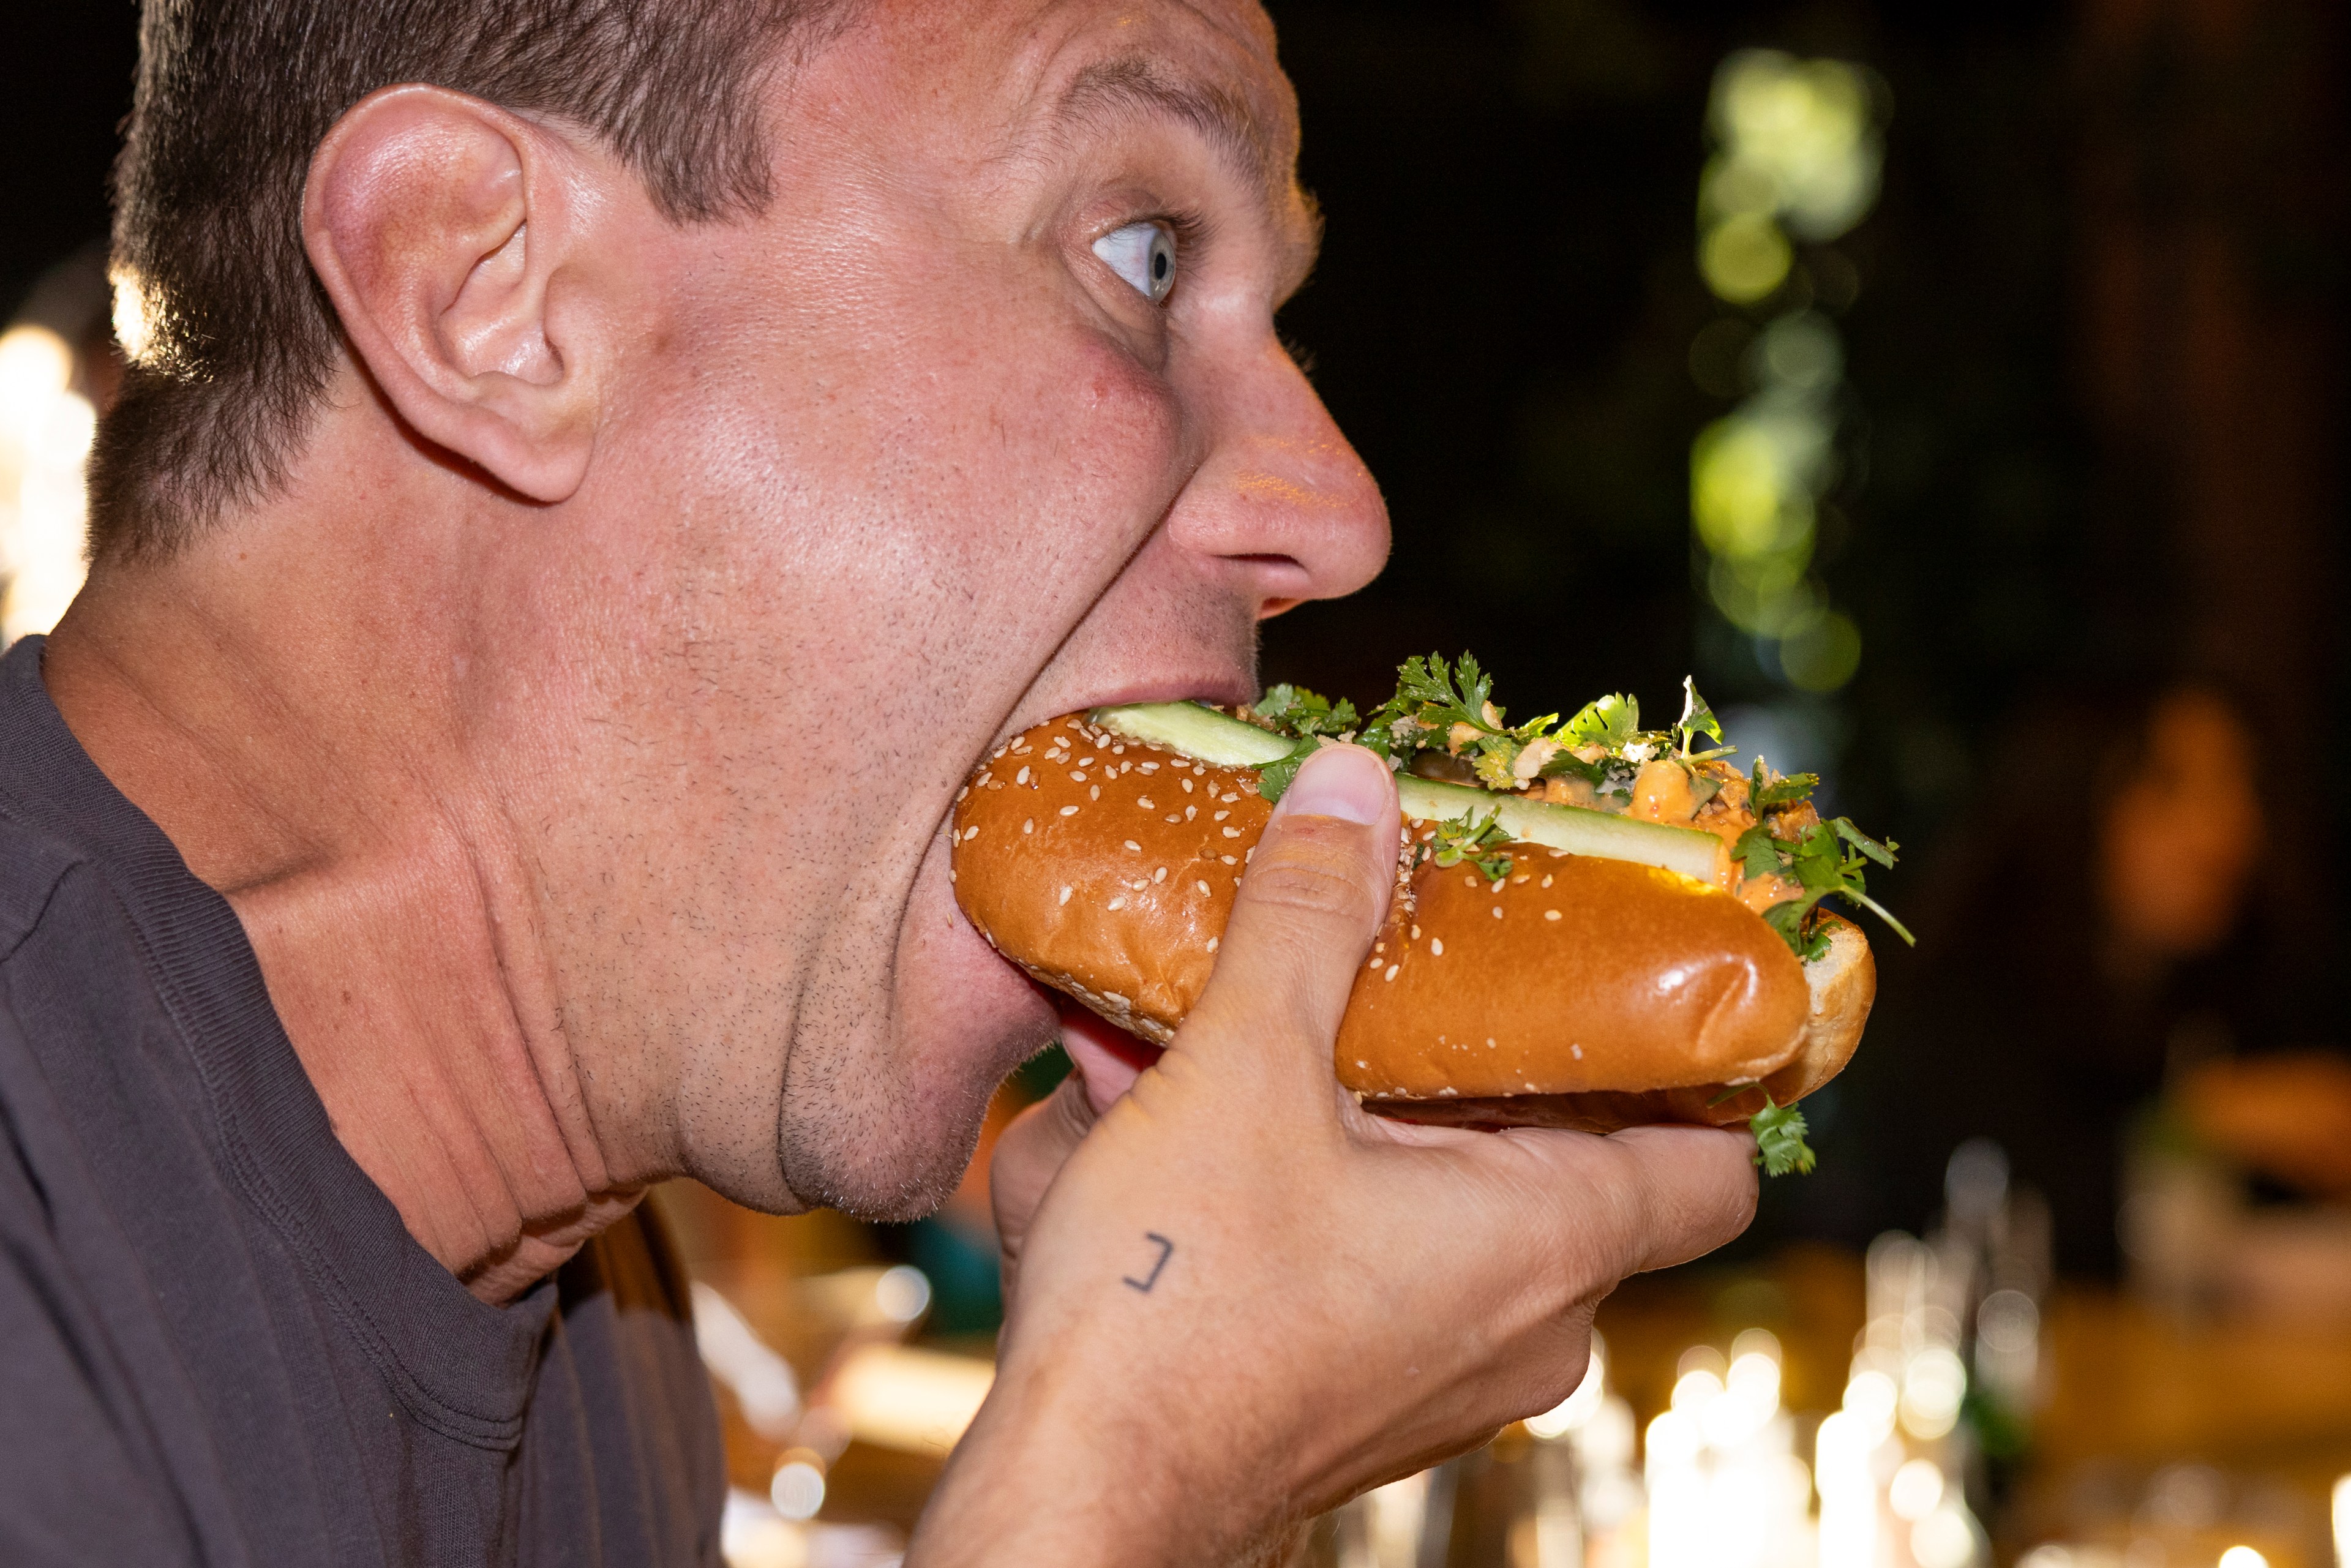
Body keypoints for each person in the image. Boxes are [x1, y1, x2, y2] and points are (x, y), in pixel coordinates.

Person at [0, 1, 1757, 1562]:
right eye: (1144, 255)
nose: (1337, 515)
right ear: (486, 287)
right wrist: (1126, 1488)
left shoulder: (612, 1337)